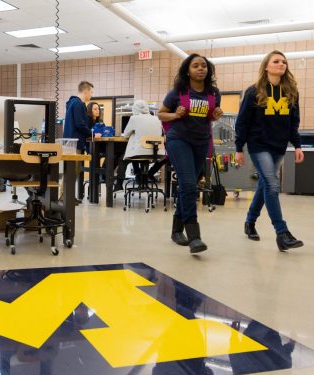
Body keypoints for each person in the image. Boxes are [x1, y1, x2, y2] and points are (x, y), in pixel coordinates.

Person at [235, 50, 304, 251]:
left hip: (278, 145)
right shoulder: (253, 91)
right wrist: (239, 148)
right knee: (273, 185)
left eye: (284, 61)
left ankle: (250, 222)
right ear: (266, 66)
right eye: (276, 61)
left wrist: (297, 145)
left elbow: (293, 123)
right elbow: (242, 122)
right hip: (258, 146)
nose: (281, 64)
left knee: (265, 185)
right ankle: (282, 233)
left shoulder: (291, 92)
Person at [158, 53, 223, 254]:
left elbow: (209, 117)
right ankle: (194, 236)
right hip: (179, 139)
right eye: (195, 66)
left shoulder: (214, 93)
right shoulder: (178, 92)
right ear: (188, 70)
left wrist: (215, 115)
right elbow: (161, 113)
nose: (201, 69)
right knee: (187, 184)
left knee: (190, 185)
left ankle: (176, 230)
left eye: (203, 66)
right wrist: (175, 114)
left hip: (201, 141)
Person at [122, 100, 164, 186]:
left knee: (133, 139)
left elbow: (125, 135)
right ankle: (142, 176)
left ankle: (136, 174)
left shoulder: (134, 118)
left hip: (140, 153)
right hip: (156, 152)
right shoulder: (156, 119)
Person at [64, 81, 100, 153]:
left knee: (72, 164)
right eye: (91, 92)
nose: (91, 94)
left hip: (71, 142)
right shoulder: (78, 104)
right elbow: (80, 124)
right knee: (75, 164)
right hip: (75, 143)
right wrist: (92, 134)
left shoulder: (73, 102)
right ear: (86, 91)